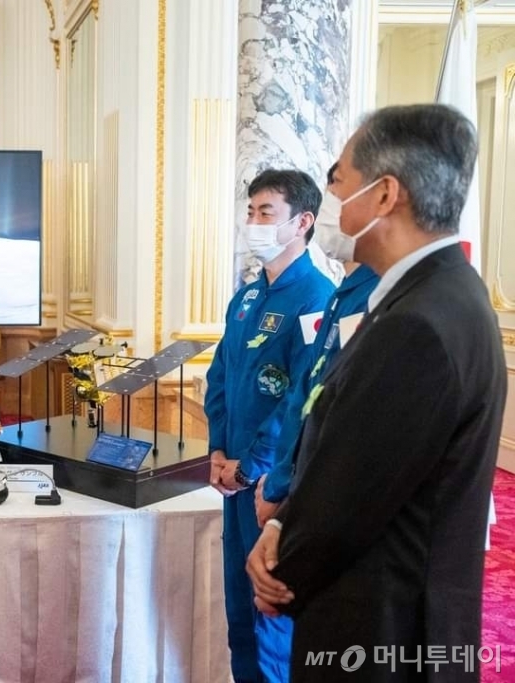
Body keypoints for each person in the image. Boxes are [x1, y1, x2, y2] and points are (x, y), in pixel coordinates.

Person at [247, 104, 507, 682]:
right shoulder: (436, 293)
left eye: (338, 178)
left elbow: (353, 495)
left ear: (385, 195)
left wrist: (281, 569)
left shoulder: (419, 321)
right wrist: (279, 524)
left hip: (383, 634)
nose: (332, 195)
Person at [204, 169, 335, 683]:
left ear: (302, 222)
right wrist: (217, 451)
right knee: (239, 612)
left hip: (268, 485)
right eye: (251, 211)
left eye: (266, 213)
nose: (253, 222)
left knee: (269, 621)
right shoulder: (248, 296)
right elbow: (221, 377)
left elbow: (301, 402)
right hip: (231, 475)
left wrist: (250, 466)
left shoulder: (317, 298)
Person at [254, 163, 380, 526]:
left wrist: (278, 484)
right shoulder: (342, 294)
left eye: (338, 195)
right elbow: (308, 392)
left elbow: (332, 407)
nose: (330, 213)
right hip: (286, 473)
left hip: (316, 490)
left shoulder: (371, 296)